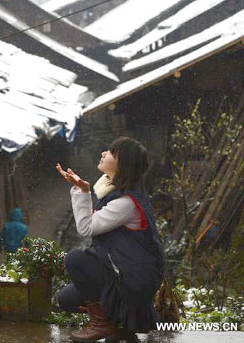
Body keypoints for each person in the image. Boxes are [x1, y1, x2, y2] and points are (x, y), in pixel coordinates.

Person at [54, 137, 165, 343]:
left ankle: (102, 325)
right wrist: (83, 189)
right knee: (66, 299)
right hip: (126, 275)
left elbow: (86, 227)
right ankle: (119, 324)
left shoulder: (126, 203)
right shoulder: (118, 193)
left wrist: (82, 191)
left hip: (132, 281)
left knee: (75, 259)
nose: (103, 153)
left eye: (111, 152)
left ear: (122, 165)